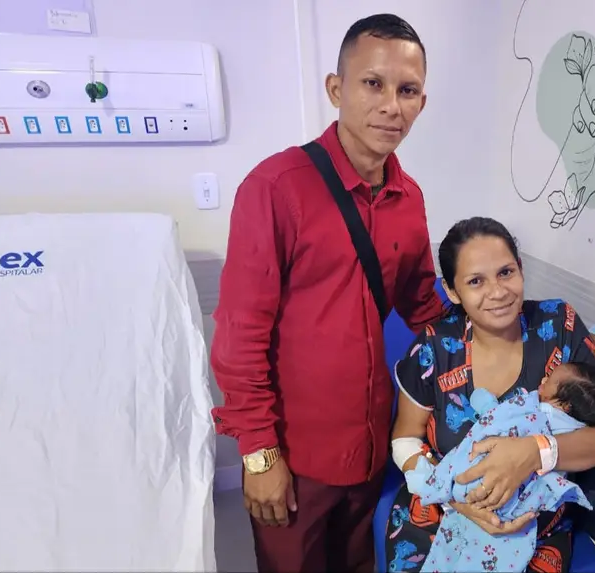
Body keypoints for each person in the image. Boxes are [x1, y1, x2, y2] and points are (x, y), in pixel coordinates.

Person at [210, 13, 443, 573]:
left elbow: (425, 308)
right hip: (295, 457)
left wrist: (509, 338)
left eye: (407, 90)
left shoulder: (408, 198)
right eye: (373, 83)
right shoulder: (276, 187)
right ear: (336, 89)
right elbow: (240, 336)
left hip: (372, 448)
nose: (391, 106)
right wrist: (259, 454)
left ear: (421, 102)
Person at [385, 216, 595, 573]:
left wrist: (534, 452)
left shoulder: (558, 326)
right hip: (442, 510)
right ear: (452, 291)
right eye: (475, 281)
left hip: (534, 523)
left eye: (505, 272)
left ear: (521, 270)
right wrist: (458, 498)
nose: (498, 292)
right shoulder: (435, 348)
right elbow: (405, 438)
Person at [400, 362, 595, 572]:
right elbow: (404, 439)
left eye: (551, 380)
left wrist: (537, 450)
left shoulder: (545, 415)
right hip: (489, 508)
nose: (544, 379)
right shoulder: (563, 419)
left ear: (566, 405)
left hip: (503, 502)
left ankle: (437, 483)